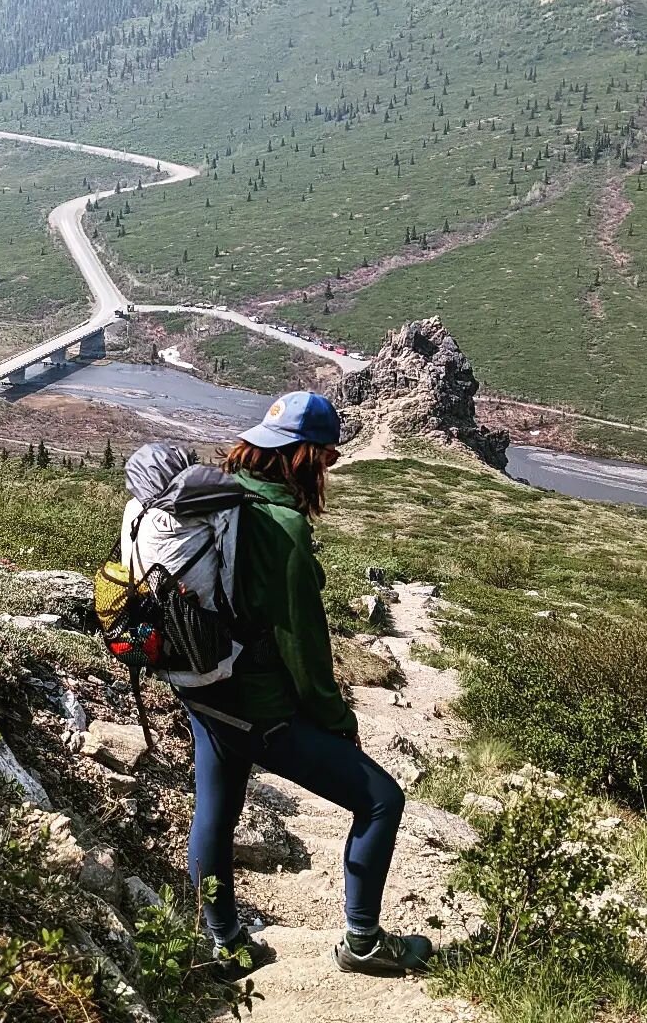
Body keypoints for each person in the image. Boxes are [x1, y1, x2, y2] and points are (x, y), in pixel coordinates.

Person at [177, 390, 433, 979]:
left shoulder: (217, 498)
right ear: (304, 457)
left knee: (215, 814)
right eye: (329, 459)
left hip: (205, 692)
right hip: (262, 710)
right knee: (380, 800)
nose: (329, 471)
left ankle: (227, 943)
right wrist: (339, 723)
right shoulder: (281, 524)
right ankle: (363, 944)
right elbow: (303, 648)